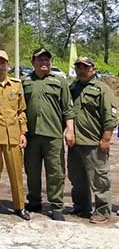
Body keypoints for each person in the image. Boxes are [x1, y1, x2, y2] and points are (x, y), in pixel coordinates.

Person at [22, 47, 74, 221]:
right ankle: (34, 201)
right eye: (40, 60)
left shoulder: (60, 82)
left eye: (47, 60)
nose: (44, 63)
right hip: (31, 136)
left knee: (56, 172)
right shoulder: (25, 82)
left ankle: (56, 206)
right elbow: (19, 108)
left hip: (53, 135)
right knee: (32, 170)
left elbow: (68, 108)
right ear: (33, 62)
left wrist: (70, 130)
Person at [0, 50, 30, 220]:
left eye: (3, 62)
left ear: (7, 64)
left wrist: (23, 132)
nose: (0, 65)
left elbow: (21, 110)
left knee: (16, 173)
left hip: (13, 136)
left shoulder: (16, 85)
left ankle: (20, 206)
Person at [67, 56, 117, 224]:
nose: (81, 70)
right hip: (75, 143)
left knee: (99, 179)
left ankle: (103, 209)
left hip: (94, 142)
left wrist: (106, 139)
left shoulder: (102, 89)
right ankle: (82, 206)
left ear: (93, 69)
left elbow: (110, 116)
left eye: (85, 67)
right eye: (78, 67)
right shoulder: (73, 87)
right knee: (77, 178)